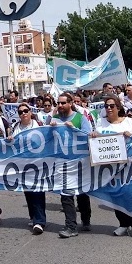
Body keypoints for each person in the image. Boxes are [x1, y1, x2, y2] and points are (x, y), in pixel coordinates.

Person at [92, 95, 132, 239]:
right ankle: (123, 224)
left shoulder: (128, 122)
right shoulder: (101, 123)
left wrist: (130, 135)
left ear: (118, 107)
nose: (108, 108)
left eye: (112, 106)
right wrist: (93, 135)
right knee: (116, 194)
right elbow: (96, 142)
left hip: (129, 165)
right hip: (110, 167)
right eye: (106, 106)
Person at [47, 93, 93, 238]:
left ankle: (86, 220)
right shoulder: (54, 119)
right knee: (66, 195)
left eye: (63, 103)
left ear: (70, 103)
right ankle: (71, 226)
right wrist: (50, 128)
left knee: (82, 193)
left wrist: (75, 129)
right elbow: (46, 140)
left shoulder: (80, 118)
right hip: (62, 163)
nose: (60, 106)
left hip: (80, 163)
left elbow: (89, 135)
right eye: (58, 103)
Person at [7, 103, 45, 234]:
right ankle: (33, 216)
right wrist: (10, 139)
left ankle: (39, 221)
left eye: (25, 111)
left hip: (37, 164)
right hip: (22, 166)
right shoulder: (15, 127)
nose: (23, 113)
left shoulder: (38, 125)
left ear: (30, 112)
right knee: (28, 192)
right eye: (20, 112)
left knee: (37, 192)